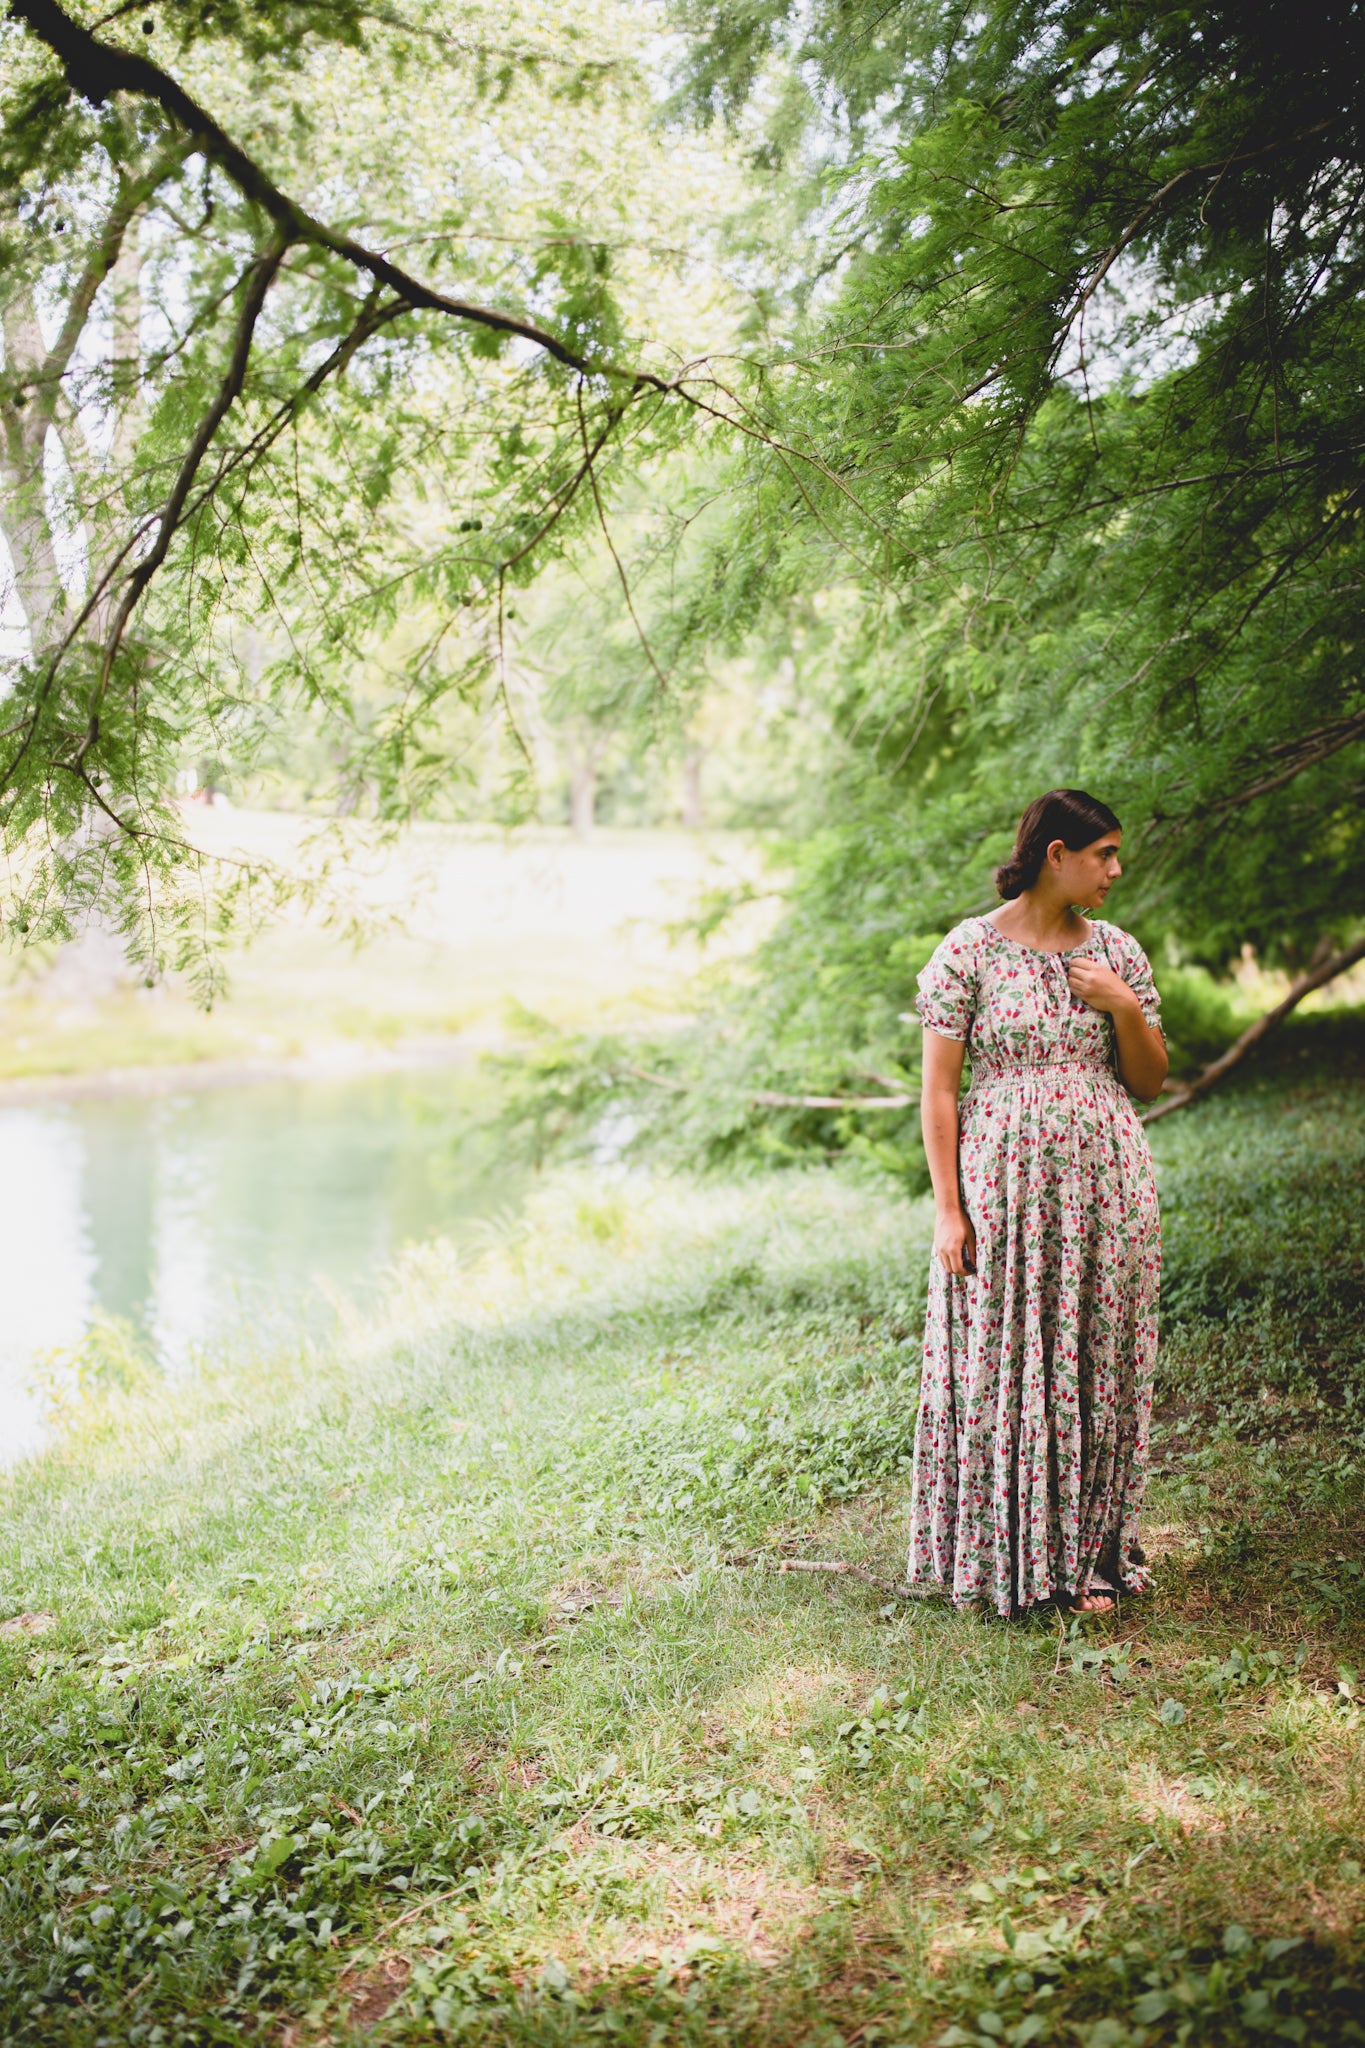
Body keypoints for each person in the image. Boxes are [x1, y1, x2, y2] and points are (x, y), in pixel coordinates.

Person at [908, 789, 1168, 1618]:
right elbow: (940, 1095)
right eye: (1103, 855)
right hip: (1003, 1193)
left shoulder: (1117, 953)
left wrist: (1121, 1005)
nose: (1115, 870)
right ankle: (1005, 1554)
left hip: (1106, 1190)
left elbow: (1150, 1079)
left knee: (1095, 1359)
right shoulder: (969, 952)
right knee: (1005, 1362)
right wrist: (949, 1209)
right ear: (1055, 854)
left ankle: (1088, 1556)